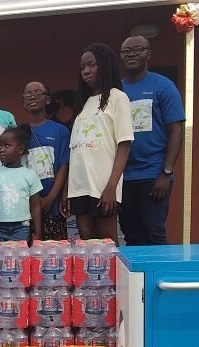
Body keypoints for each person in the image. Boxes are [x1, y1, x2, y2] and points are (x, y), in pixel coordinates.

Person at [119, 36, 185, 245]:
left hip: (153, 174)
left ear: (149, 53)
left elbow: (176, 130)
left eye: (137, 50)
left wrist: (166, 172)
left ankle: (157, 277)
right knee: (130, 234)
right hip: (124, 177)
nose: (131, 55)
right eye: (126, 51)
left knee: (154, 233)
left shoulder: (163, 86)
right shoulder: (116, 91)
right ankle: (136, 279)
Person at [66, 43, 133, 241]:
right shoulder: (82, 103)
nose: (86, 71)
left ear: (105, 65)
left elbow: (124, 144)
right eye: (82, 67)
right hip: (79, 186)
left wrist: (111, 186)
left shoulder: (118, 98)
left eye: (92, 65)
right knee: (87, 241)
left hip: (103, 184)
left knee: (107, 243)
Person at [20, 81, 71, 240]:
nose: (32, 96)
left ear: (47, 100)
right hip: (25, 207)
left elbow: (63, 166)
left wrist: (50, 198)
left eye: (38, 92)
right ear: (23, 102)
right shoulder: (19, 133)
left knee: (55, 256)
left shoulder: (60, 130)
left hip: (53, 205)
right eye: (28, 93)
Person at [0, 127, 43, 242]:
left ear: (20, 149)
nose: (1, 150)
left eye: (6, 146)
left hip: (21, 227)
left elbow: (35, 206)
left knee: (19, 258)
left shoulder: (30, 175)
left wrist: (38, 233)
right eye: (0, 146)